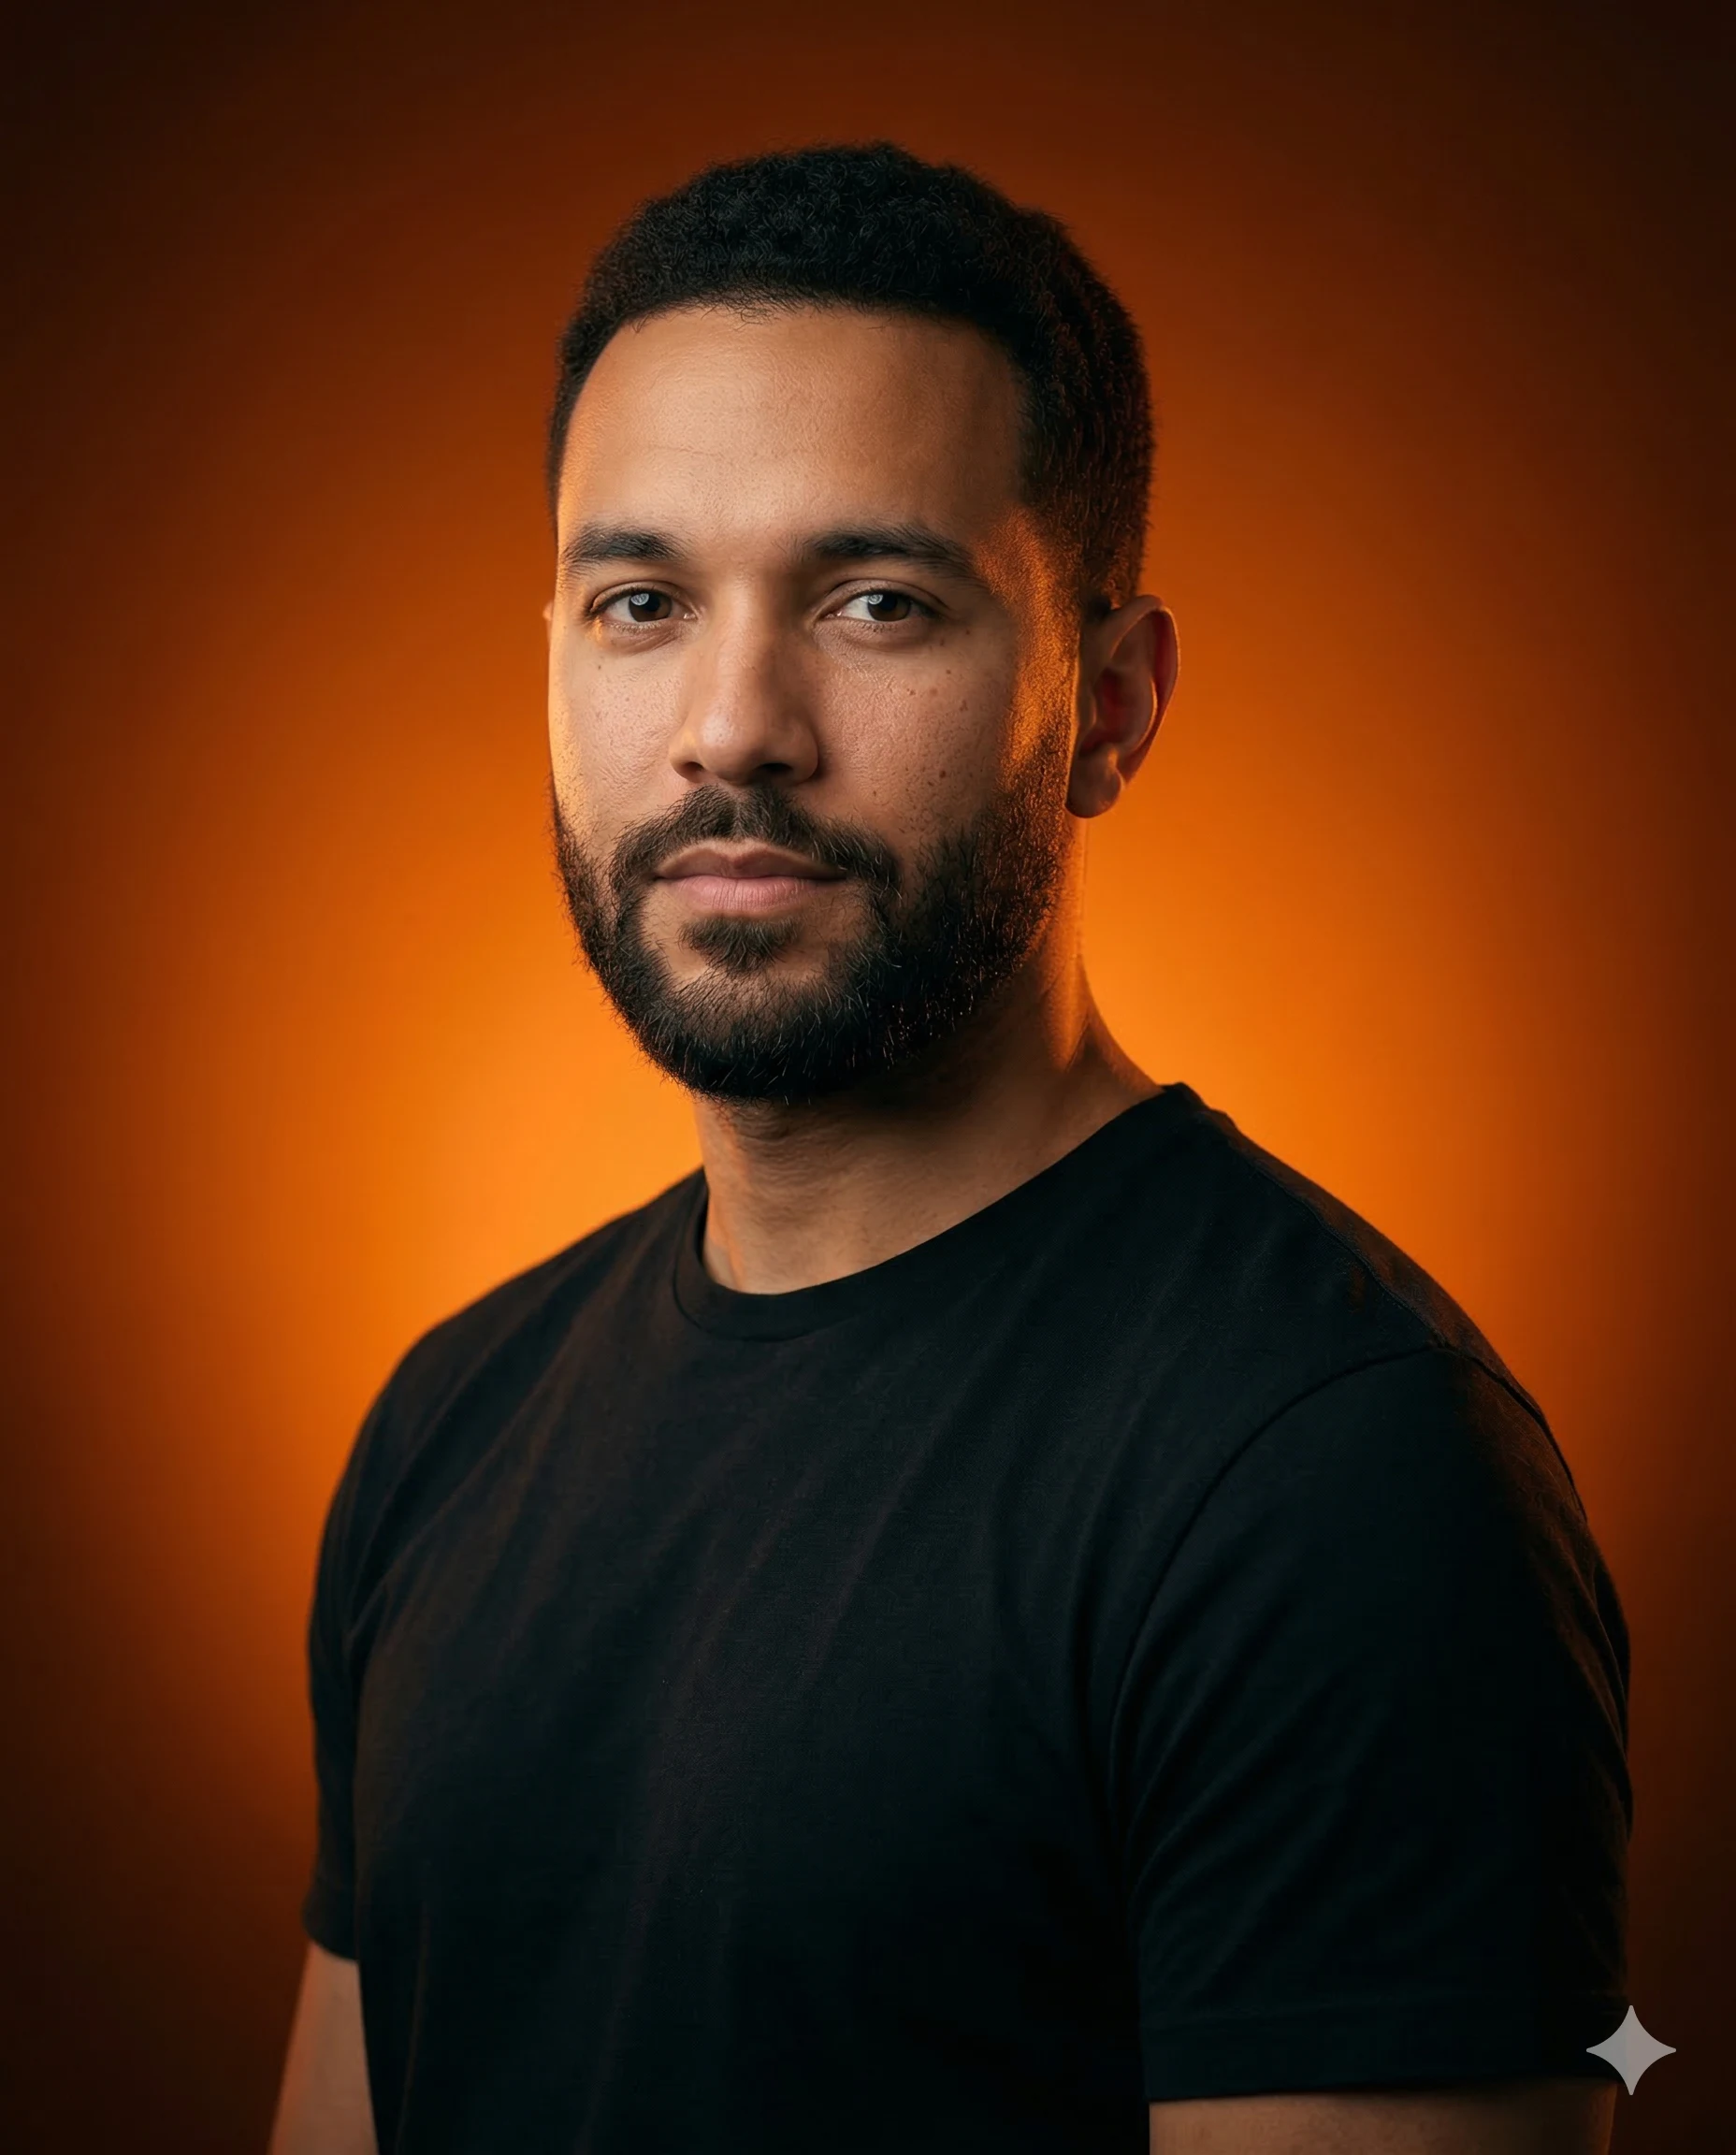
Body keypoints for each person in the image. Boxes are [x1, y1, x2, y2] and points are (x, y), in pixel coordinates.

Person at [268, 144, 1629, 2155]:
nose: (734, 724)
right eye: (641, 603)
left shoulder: (1339, 1490)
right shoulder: (448, 1423)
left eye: (877, 603)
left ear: (1109, 707)